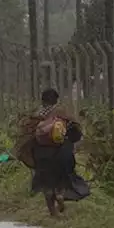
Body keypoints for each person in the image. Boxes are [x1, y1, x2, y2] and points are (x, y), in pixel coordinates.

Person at [21, 88, 85, 217]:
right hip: (61, 152)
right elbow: (76, 132)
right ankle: (60, 194)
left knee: (46, 183)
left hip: (42, 154)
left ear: (42, 100)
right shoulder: (63, 113)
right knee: (62, 176)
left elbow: (26, 135)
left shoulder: (36, 114)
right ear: (56, 100)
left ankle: (53, 212)